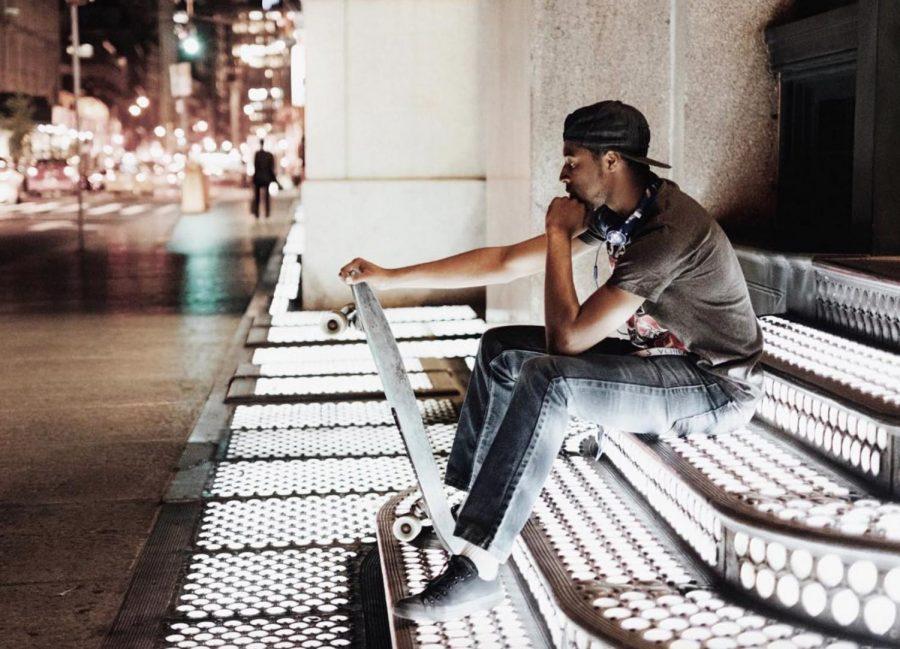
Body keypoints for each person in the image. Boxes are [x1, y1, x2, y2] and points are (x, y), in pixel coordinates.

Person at [339, 100, 763, 623]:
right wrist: (391, 275)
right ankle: (464, 508)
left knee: (549, 378)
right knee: (501, 349)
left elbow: (567, 342)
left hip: (711, 383)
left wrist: (561, 236)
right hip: (655, 356)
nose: (562, 172)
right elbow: (505, 261)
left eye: (572, 159)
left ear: (611, 161)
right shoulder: (620, 215)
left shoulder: (666, 231)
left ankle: (479, 566)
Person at [252, 140, 277, 218]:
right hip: (266, 177)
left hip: (258, 178)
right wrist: (274, 179)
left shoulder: (257, 154)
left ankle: (257, 212)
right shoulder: (269, 155)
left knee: (257, 196)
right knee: (266, 197)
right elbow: (271, 168)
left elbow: (255, 167)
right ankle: (267, 212)